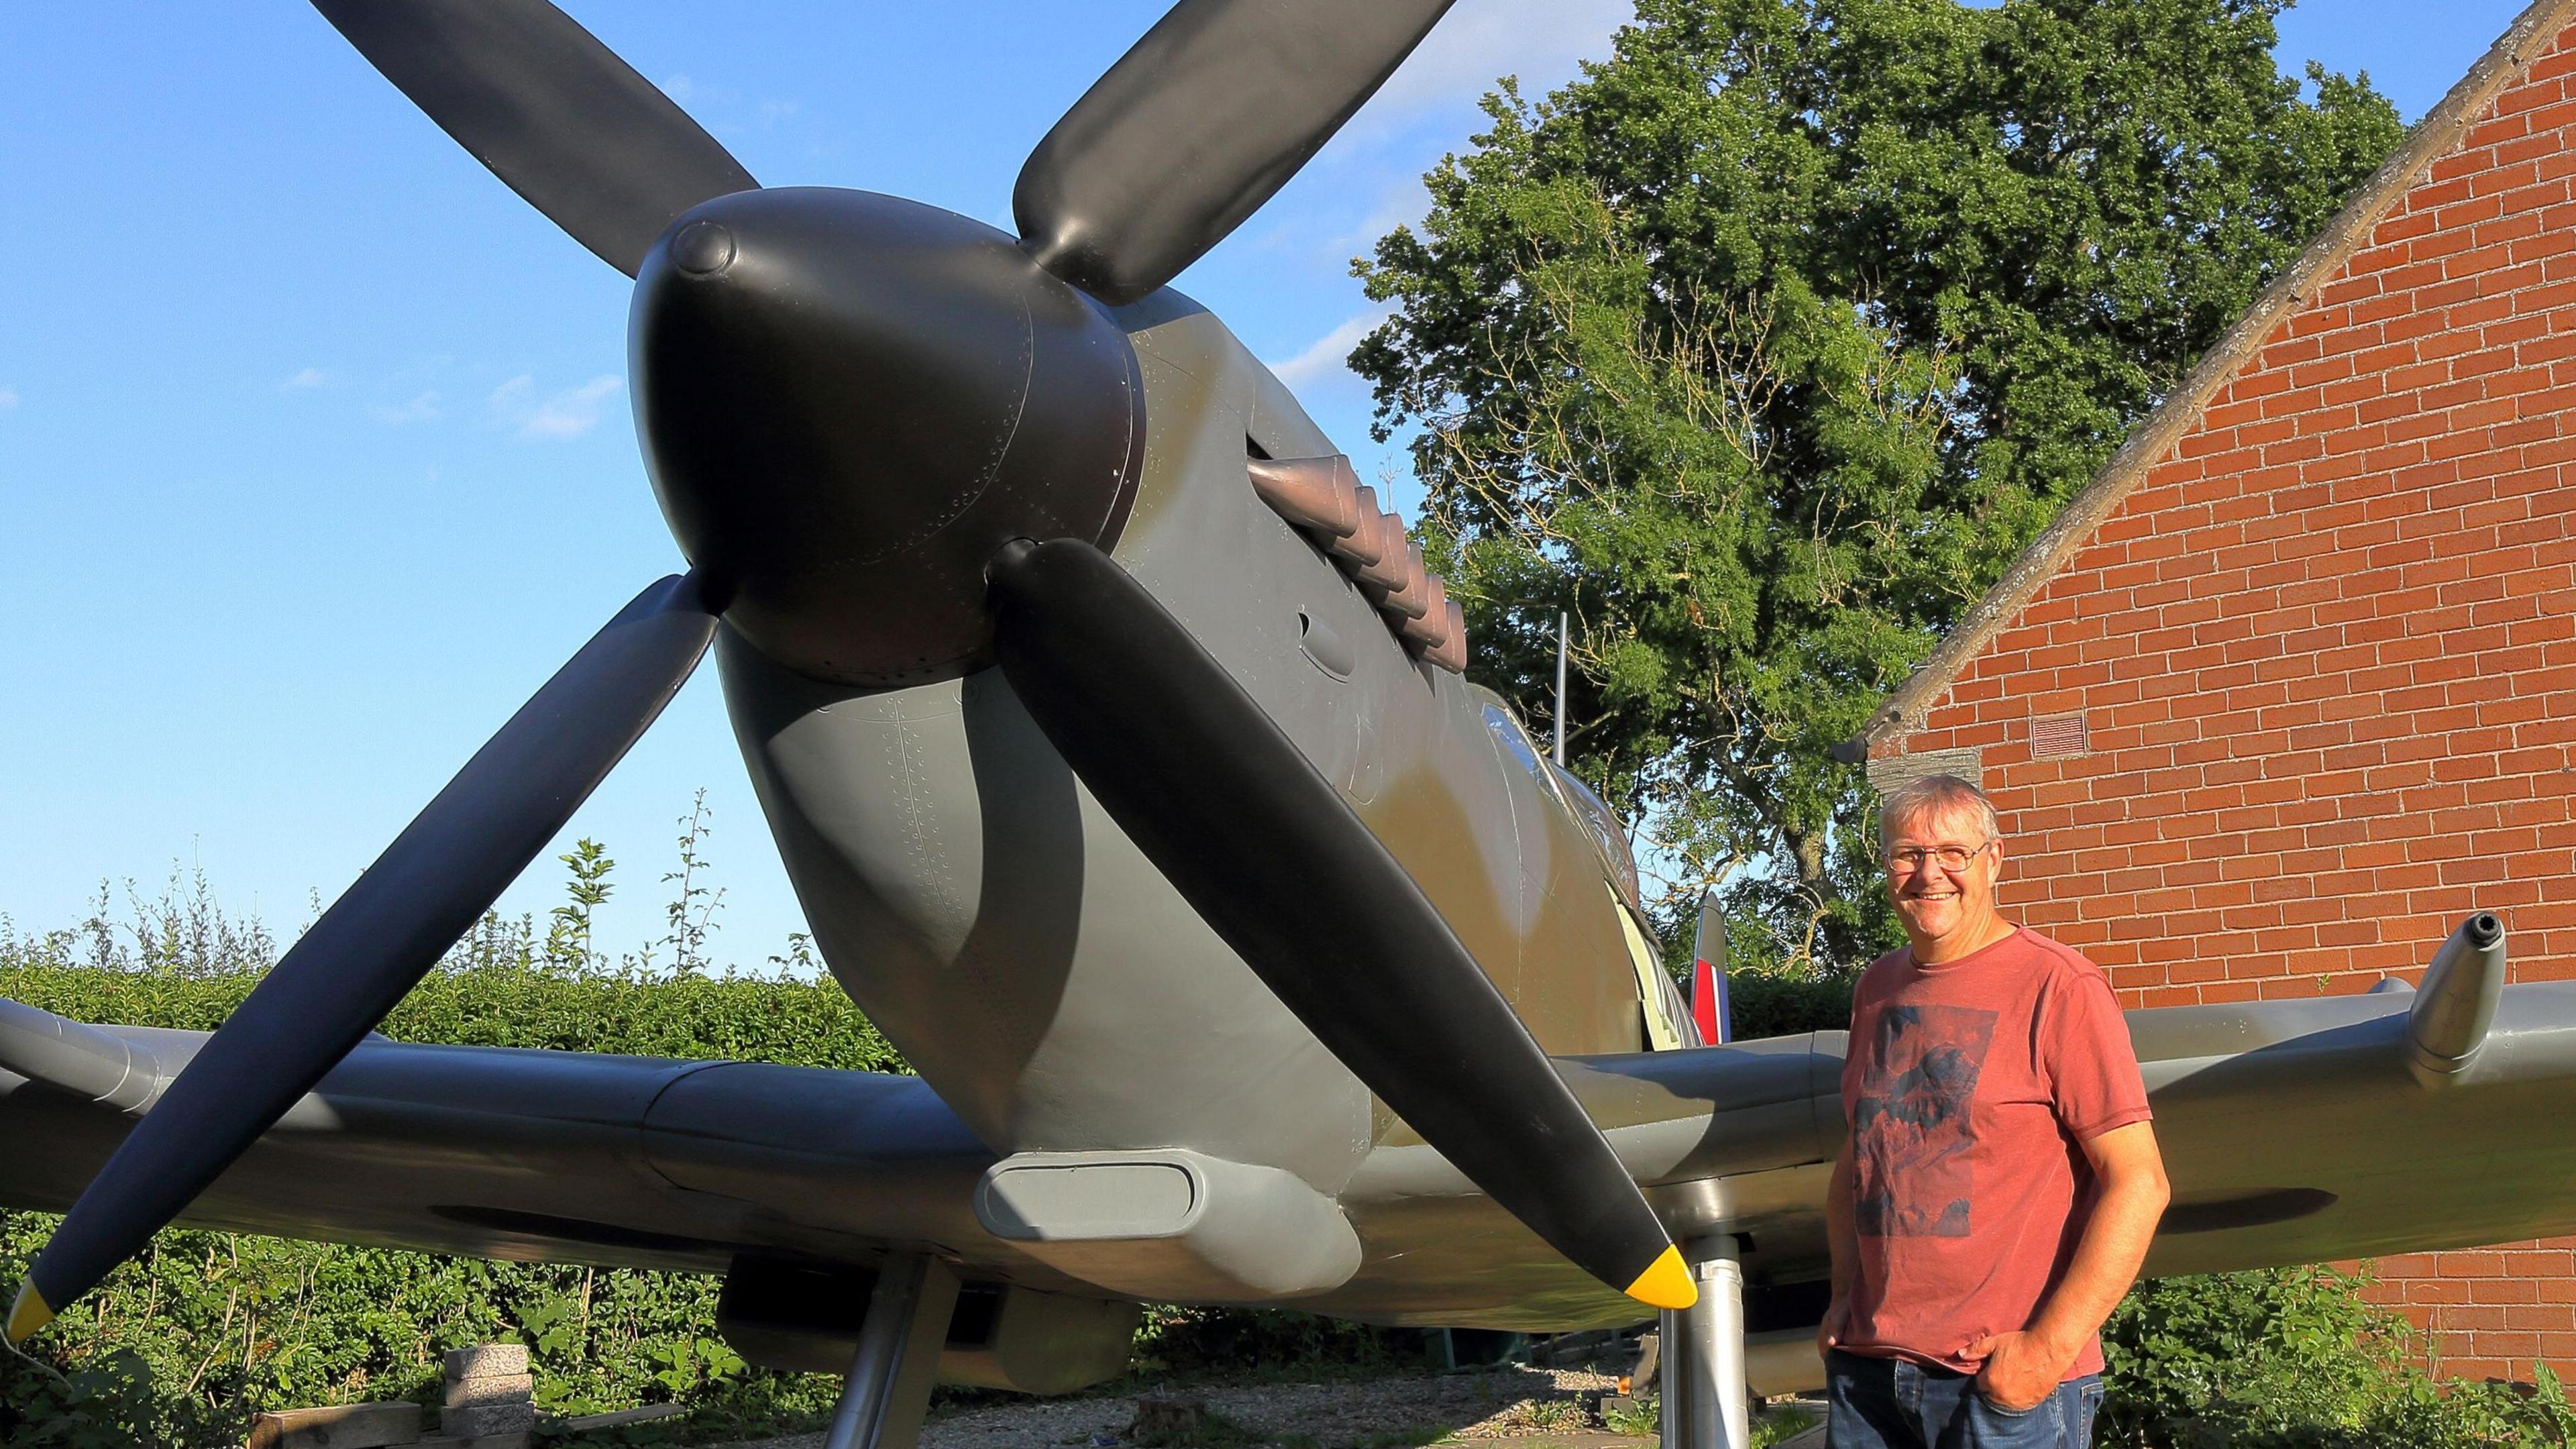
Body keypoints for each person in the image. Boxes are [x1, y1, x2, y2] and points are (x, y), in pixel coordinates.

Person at [1819, 773, 2169, 1448]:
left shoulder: (2060, 986)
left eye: (1955, 853)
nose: (1929, 874)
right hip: (1869, 1378)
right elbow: (1862, 1156)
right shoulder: (1877, 988)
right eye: (1907, 854)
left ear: (1995, 860)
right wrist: (1842, 1299)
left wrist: (2045, 1352)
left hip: (1996, 1384)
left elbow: (2140, 1183)